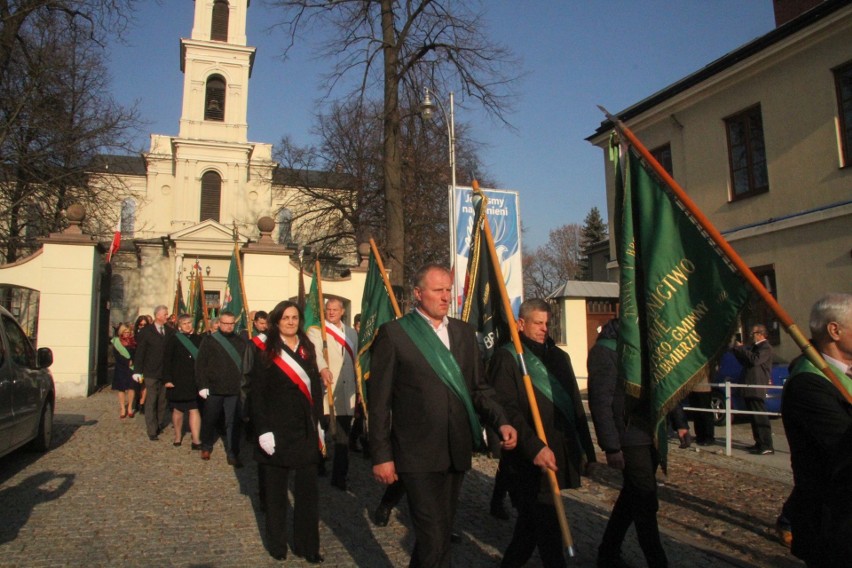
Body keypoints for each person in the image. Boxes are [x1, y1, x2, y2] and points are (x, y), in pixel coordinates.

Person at [368, 263, 517, 567]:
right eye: (438, 290)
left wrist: (501, 420)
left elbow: (479, 388)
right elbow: (379, 402)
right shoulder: (395, 334)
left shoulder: (463, 333)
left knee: (438, 532)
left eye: (449, 290)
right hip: (415, 453)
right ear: (418, 293)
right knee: (435, 536)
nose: (446, 296)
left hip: (455, 449)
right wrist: (381, 454)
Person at [490, 299, 596, 567]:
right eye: (538, 323)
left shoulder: (560, 358)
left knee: (529, 530)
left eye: (547, 323)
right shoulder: (507, 357)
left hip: (557, 451)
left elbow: (574, 406)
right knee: (547, 526)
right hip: (528, 457)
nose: (544, 328)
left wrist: (587, 452)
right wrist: (533, 446)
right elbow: (507, 409)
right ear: (521, 323)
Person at [588, 318, 668, 568]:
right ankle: (658, 562)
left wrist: (680, 421)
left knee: (631, 498)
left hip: (650, 434)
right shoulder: (606, 350)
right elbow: (601, 402)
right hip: (628, 437)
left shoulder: (647, 348)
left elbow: (662, 386)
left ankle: (607, 552)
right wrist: (611, 446)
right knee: (644, 501)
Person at [249, 301, 325, 563]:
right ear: (277, 321)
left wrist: (319, 425)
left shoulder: (307, 348)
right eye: (286, 318)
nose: (291, 322)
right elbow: (256, 393)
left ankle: (308, 545)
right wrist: (262, 430)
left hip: (304, 428)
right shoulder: (264, 350)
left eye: (295, 318)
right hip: (275, 429)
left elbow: (315, 388)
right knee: (276, 494)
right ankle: (277, 544)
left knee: (307, 494)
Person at [782, 293, 852, 567]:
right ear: (834, 330)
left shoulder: (844, 373)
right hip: (834, 527)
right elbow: (843, 452)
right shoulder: (808, 385)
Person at [308, 298, 358, 491]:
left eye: (335, 309)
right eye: (328, 309)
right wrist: (323, 368)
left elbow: (356, 362)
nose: (331, 312)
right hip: (326, 389)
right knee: (321, 431)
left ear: (342, 311)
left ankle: (339, 476)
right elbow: (316, 353)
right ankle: (318, 464)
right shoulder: (317, 331)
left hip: (346, 393)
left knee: (343, 437)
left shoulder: (352, 333)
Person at [195, 310, 249, 466]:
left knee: (233, 422)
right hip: (214, 388)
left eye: (231, 323)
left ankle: (233, 453)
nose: (229, 326)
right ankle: (206, 445)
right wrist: (202, 385)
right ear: (219, 323)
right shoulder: (210, 341)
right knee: (210, 419)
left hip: (233, 389)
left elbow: (245, 365)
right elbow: (201, 364)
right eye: (225, 323)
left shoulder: (240, 342)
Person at [732, 323, 774, 455]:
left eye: (753, 333)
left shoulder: (765, 347)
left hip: (757, 386)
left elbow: (755, 360)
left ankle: (766, 444)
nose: (751, 336)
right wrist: (738, 350)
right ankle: (759, 442)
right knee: (753, 416)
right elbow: (746, 361)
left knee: (760, 416)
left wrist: (743, 349)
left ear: (761, 334)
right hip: (749, 385)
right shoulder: (754, 347)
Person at [134, 306, 174, 441]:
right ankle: (151, 430)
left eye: (167, 314)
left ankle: (158, 423)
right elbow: (140, 352)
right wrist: (137, 370)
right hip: (150, 371)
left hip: (165, 372)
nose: (167, 317)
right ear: (157, 315)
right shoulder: (146, 331)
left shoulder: (170, 331)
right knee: (151, 400)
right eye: (164, 314)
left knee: (162, 401)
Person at [163, 314, 203, 449]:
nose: (188, 325)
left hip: (194, 380)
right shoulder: (173, 339)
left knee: (194, 408)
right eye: (185, 323)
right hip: (178, 379)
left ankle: (196, 439)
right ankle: (178, 435)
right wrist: (167, 379)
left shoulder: (199, 339)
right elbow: (167, 361)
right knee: (178, 410)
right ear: (179, 325)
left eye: (190, 323)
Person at [111, 323, 137, 419]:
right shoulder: (116, 341)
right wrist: (127, 361)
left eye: (128, 332)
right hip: (121, 367)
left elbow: (137, 353)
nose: (127, 334)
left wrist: (133, 361)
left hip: (132, 368)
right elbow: (116, 355)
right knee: (121, 388)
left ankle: (130, 407)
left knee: (131, 387)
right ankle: (122, 408)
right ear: (121, 332)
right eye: (125, 332)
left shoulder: (133, 341)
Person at [133, 315, 153, 413]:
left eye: (145, 325)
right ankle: (136, 401)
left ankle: (142, 403)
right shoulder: (134, 336)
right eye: (141, 325)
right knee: (135, 385)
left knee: (144, 384)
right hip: (135, 362)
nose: (142, 326)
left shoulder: (150, 334)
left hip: (146, 362)